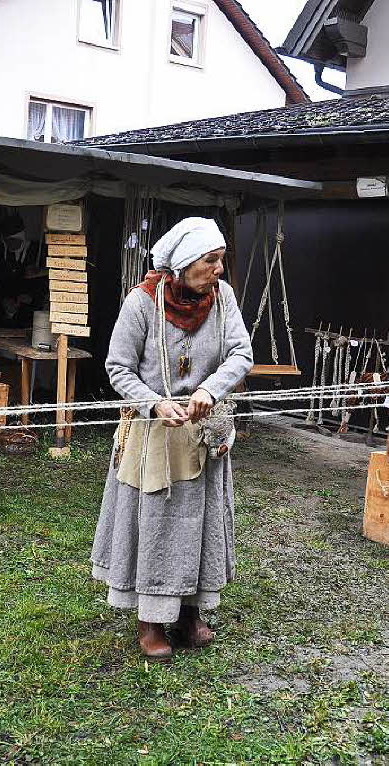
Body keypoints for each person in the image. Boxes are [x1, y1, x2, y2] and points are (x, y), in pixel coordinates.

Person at [90, 217, 253, 662]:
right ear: (182, 265)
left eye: (221, 260)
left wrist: (208, 390)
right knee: (157, 527)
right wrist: (155, 404)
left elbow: (241, 353)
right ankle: (150, 620)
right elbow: (118, 368)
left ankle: (190, 613)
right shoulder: (141, 304)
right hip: (154, 433)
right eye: (210, 261)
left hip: (205, 432)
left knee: (200, 525)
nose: (219, 269)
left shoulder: (223, 299)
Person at [0, 213, 47, 329]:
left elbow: (48, 281)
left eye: (15, 240)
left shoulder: (38, 251)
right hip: (4, 315)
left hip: (31, 316)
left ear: (22, 237)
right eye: (8, 241)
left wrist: (33, 297)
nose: (11, 244)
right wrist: (3, 299)